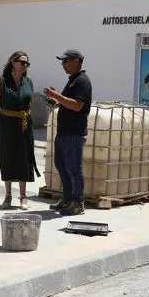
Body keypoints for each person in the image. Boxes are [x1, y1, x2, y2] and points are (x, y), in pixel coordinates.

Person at [43, 49, 92, 216]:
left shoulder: (82, 81)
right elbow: (68, 104)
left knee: (73, 169)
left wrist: (56, 96)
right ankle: (67, 199)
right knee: (62, 166)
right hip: (63, 132)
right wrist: (56, 100)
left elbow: (77, 105)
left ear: (77, 61)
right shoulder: (73, 80)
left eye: (66, 61)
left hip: (74, 133)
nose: (63, 65)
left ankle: (78, 203)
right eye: (62, 62)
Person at [0, 51, 40, 210]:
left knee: (24, 158)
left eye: (27, 63)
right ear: (13, 62)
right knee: (8, 158)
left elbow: (29, 102)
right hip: (7, 124)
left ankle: (23, 196)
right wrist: (3, 119)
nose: (25, 65)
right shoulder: (2, 82)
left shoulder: (29, 82)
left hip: (25, 124)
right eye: (22, 62)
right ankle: (7, 195)